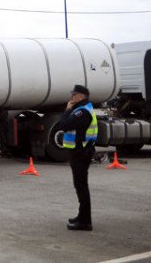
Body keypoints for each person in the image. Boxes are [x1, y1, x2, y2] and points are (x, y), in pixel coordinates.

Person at [59, 84, 97, 231]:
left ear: (81, 96)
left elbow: (64, 124)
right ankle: (82, 216)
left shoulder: (82, 112)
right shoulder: (83, 110)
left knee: (81, 186)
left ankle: (85, 221)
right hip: (81, 152)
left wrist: (67, 110)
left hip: (80, 153)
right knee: (80, 185)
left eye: (73, 95)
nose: (71, 97)